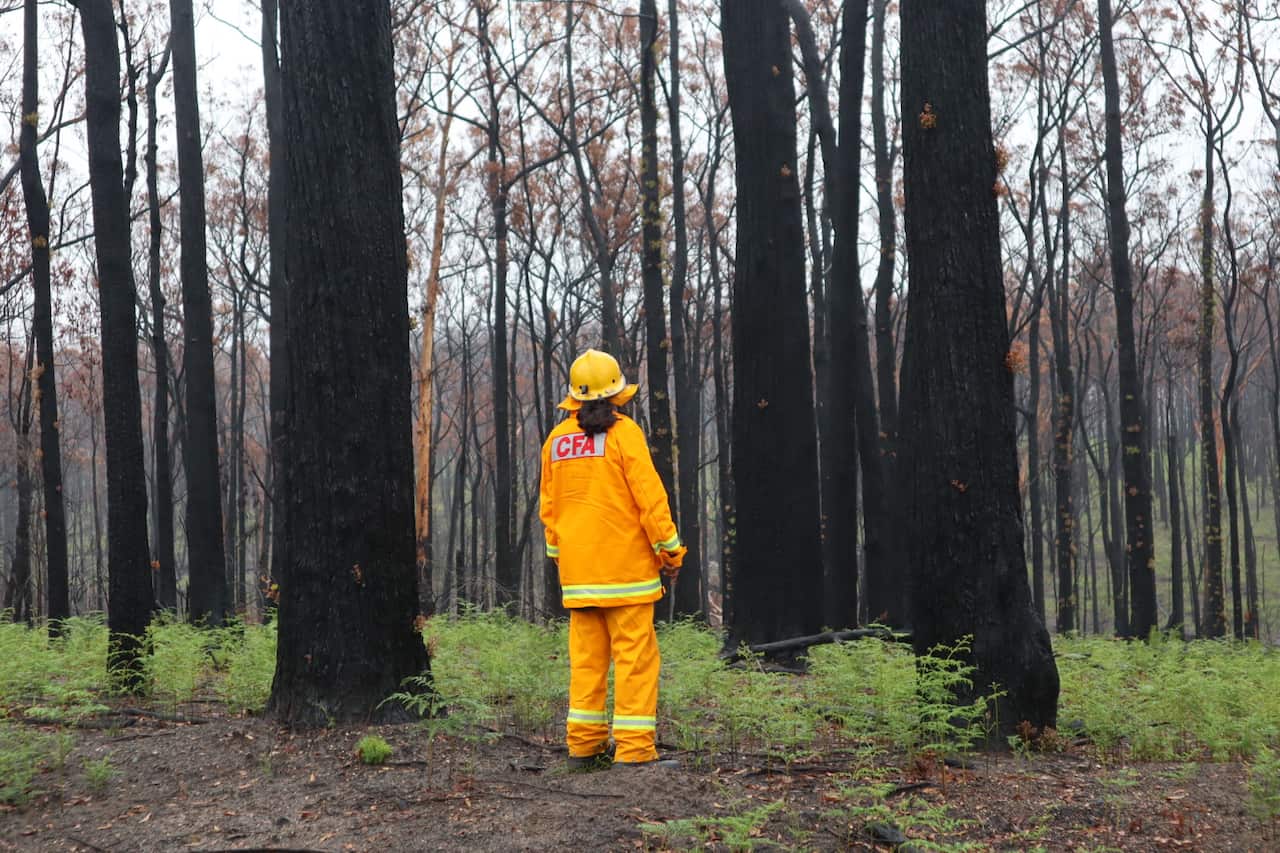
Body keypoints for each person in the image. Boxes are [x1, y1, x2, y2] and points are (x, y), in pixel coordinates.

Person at [539, 348, 686, 770]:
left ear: (575, 398)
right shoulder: (625, 435)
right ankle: (636, 752)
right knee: (635, 662)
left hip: (580, 578)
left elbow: (549, 509)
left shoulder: (556, 441)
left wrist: (562, 559)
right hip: (628, 576)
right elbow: (650, 499)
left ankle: (583, 749)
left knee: (586, 664)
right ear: (618, 394)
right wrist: (670, 551)